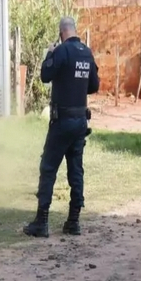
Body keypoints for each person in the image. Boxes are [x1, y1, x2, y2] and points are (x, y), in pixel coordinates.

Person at [23, 17, 100, 238]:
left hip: (61, 121)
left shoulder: (61, 52)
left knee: (48, 169)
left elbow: (45, 76)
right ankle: (74, 221)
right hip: (80, 122)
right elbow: (94, 85)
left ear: (61, 33)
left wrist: (50, 53)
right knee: (76, 171)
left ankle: (42, 222)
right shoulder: (86, 52)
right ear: (75, 30)